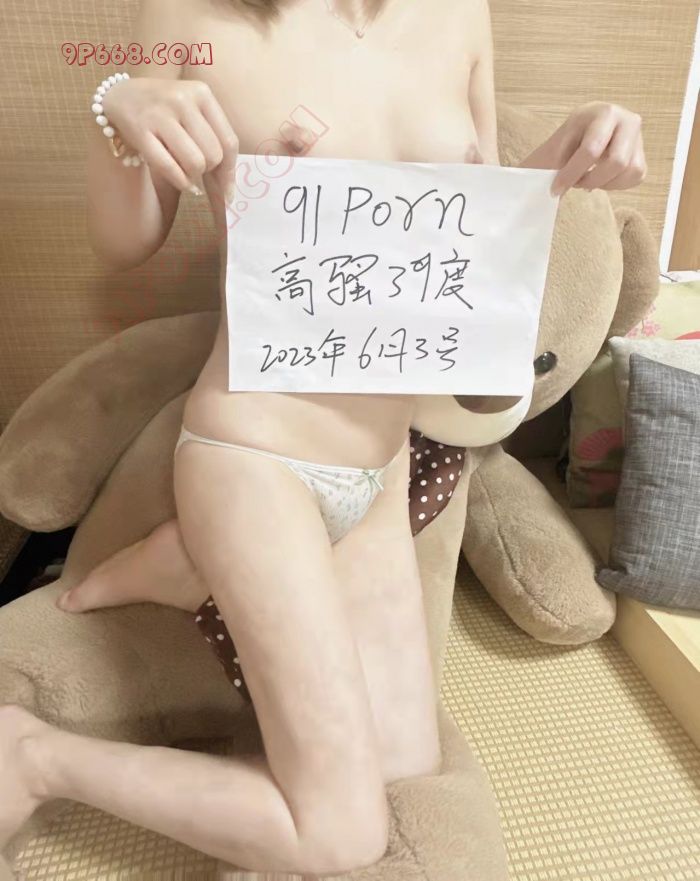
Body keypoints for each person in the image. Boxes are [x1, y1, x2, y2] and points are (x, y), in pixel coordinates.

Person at [1, 0, 646, 872]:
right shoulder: (192, 13)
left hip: (380, 471)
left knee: (404, 766)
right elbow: (125, 243)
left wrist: (568, 160)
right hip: (253, 459)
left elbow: (472, 231)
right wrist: (117, 103)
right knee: (340, 832)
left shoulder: (461, 13)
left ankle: (189, 564)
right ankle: (34, 756)